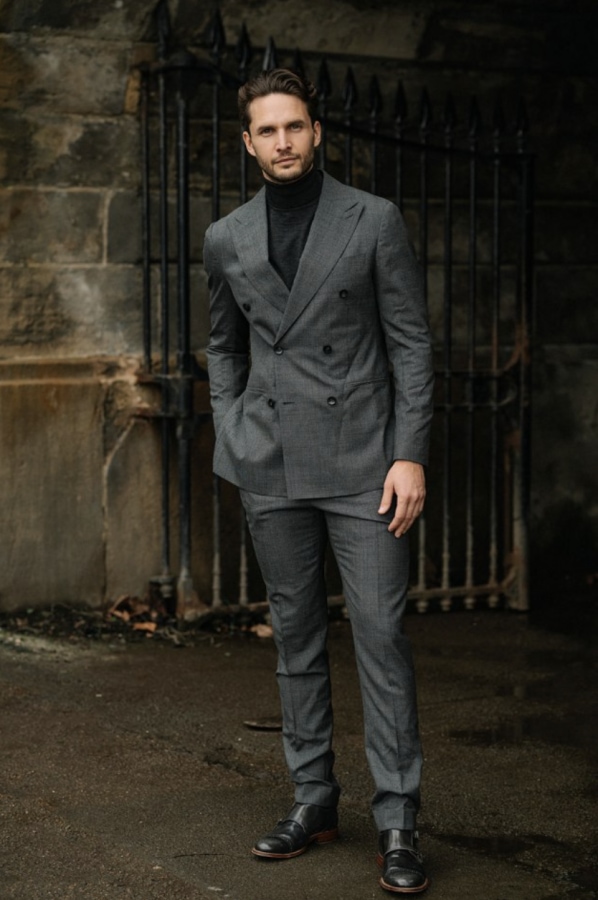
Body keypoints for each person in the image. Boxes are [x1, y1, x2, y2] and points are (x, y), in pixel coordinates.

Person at [203, 68, 434, 895]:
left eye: (294, 126)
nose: (283, 142)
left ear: (317, 131)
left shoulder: (372, 219)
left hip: (365, 461)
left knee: (380, 637)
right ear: (248, 142)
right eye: (267, 131)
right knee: (296, 637)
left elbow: (410, 342)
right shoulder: (226, 236)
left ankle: (398, 817)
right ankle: (314, 798)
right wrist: (233, 425)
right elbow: (222, 345)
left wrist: (410, 453)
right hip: (270, 460)